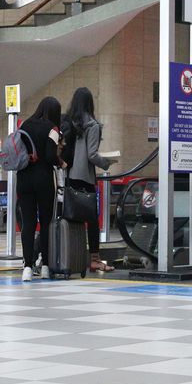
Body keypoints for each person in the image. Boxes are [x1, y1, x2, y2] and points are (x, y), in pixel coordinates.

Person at [62, 87, 118, 272]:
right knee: (91, 219)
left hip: (68, 175)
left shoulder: (68, 121)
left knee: (70, 215)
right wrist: (106, 163)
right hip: (84, 177)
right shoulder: (92, 125)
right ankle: (94, 259)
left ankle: (68, 255)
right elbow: (92, 154)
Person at [17, 96, 63, 280]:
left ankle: (27, 266)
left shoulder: (24, 125)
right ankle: (45, 265)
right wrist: (62, 162)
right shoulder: (52, 129)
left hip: (24, 178)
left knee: (28, 223)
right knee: (45, 222)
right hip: (43, 179)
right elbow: (50, 156)